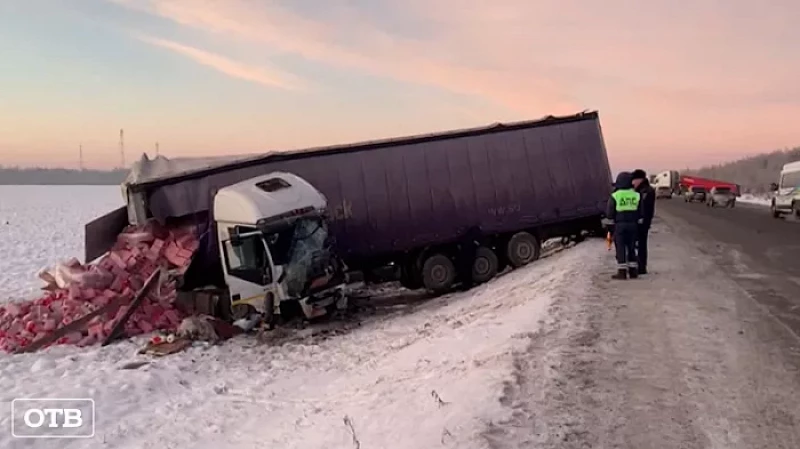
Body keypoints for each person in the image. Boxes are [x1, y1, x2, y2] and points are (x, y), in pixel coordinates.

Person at [604, 171, 643, 280]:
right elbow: (641, 212)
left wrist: (610, 227)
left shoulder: (615, 195)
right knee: (631, 247)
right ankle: (633, 271)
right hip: (633, 225)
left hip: (620, 225)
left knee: (620, 248)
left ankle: (622, 272)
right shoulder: (636, 195)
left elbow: (610, 213)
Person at [631, 169, 655, 275]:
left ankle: (641, 267)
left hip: (642, 222)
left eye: (634, 180)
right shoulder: (644, 189)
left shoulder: (645, 191)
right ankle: (640, 266)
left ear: (639, 179)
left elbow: (644, 208)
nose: (632, 183)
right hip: (642, 221)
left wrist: (641, 220)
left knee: (640, 244)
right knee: (640, 244)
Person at [456, 226, 482, 290]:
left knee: (466, 269)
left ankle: (466, 284)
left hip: (465, 256)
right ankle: (468, 284)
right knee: (468, 269)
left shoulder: (466, 237)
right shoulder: (473, 238)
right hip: (469, 255)